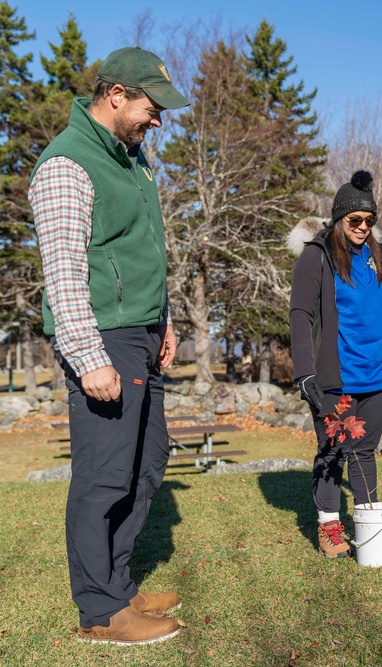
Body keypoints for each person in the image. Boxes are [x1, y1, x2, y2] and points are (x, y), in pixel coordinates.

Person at [28, 47, 190, 644]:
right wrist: (88, 356)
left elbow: (143, 250)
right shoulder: (67, 164)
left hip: (141, 332)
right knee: (104, 475)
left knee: (146, 466)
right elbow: (64, 272)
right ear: (115, 95)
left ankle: (118, 585)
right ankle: (99, 610)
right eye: (152, 107)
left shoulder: (132, 161)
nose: (158, 120)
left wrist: (165, 320)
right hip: (103, 336)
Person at [289, 170, 382, 559]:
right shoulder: (316, 257)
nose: (363, 227)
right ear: (338, 219)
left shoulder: (381, 256)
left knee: (364, 451)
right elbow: (299, 314)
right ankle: (329, 528)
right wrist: (305, 372)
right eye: (355, 220)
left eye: (370, 220)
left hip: (377, 377)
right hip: (334, 378)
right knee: (332, 450)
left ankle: (367, 529)